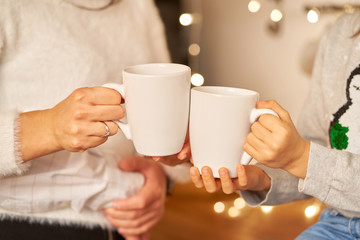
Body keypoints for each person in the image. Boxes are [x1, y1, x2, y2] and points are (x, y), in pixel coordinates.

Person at [0, 0, 190, 240]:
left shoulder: (140, 6)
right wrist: (51, 128)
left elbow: (161, 108)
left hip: (123, 225)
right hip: (21, 225)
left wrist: (160, 177)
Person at [190, 11, 360, 239]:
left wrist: (301, 157)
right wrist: (261, 178)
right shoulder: (341, 34)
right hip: (340, 223)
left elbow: (308, 159)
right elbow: (317, 150)